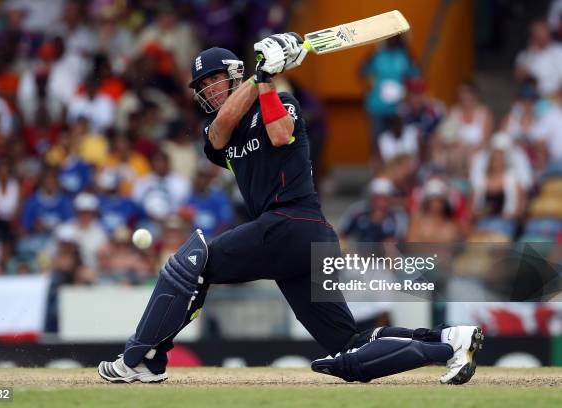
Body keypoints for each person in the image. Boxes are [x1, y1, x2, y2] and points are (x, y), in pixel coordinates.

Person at [98, 35, 482, 385]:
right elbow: (221, 130)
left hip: (292, 223)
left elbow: (280, 134)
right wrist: (263, 73)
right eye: (201, 87)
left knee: (192, 263)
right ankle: (449, 342)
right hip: (298, 239)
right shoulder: (216, 132)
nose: (207, 91)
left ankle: (141, 358)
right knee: (350, 347)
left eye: (213, 80)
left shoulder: (281, 101)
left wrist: (267, 80)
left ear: (234, 75)